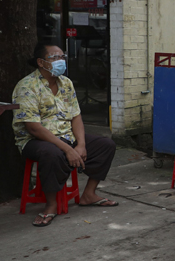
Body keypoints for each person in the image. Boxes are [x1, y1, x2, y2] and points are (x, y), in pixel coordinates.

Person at [12, 41, 118, 227]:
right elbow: (33, 127)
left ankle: (89, 194)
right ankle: (51, 205)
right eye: (55, 57)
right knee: (52, 153)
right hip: (35, 140)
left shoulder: (66, 83)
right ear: (41, 62)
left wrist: (81, 144)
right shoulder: (27, 86)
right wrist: (68, 149)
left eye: (62, 56)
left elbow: (75, 116)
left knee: (106, 145)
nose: (60, 60)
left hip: (66, 135)